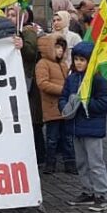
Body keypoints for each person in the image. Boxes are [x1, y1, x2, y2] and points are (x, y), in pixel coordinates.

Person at [59, 42, 107, 212]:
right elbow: (64, 96)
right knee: (81, 162)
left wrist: (86, 103)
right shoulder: (72, 79)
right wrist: (65, 106)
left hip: (92, 127)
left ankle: (102, 194)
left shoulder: (98, 80)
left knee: (95, 162)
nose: (79, 63)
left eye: (82, 60)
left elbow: (105, 102)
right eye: (76, 59)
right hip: (76, 126)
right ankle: (87, 191)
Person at [37, 35, 74, 174]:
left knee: (67, 138)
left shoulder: (63, 64)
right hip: (51, 106)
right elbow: (43, 83)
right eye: (57, 47)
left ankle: (70, 163)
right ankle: (50, 164)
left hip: (64, 107)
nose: (60, 51)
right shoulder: (43, 64)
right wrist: (63, 90)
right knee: (52, 138)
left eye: (62, 48)